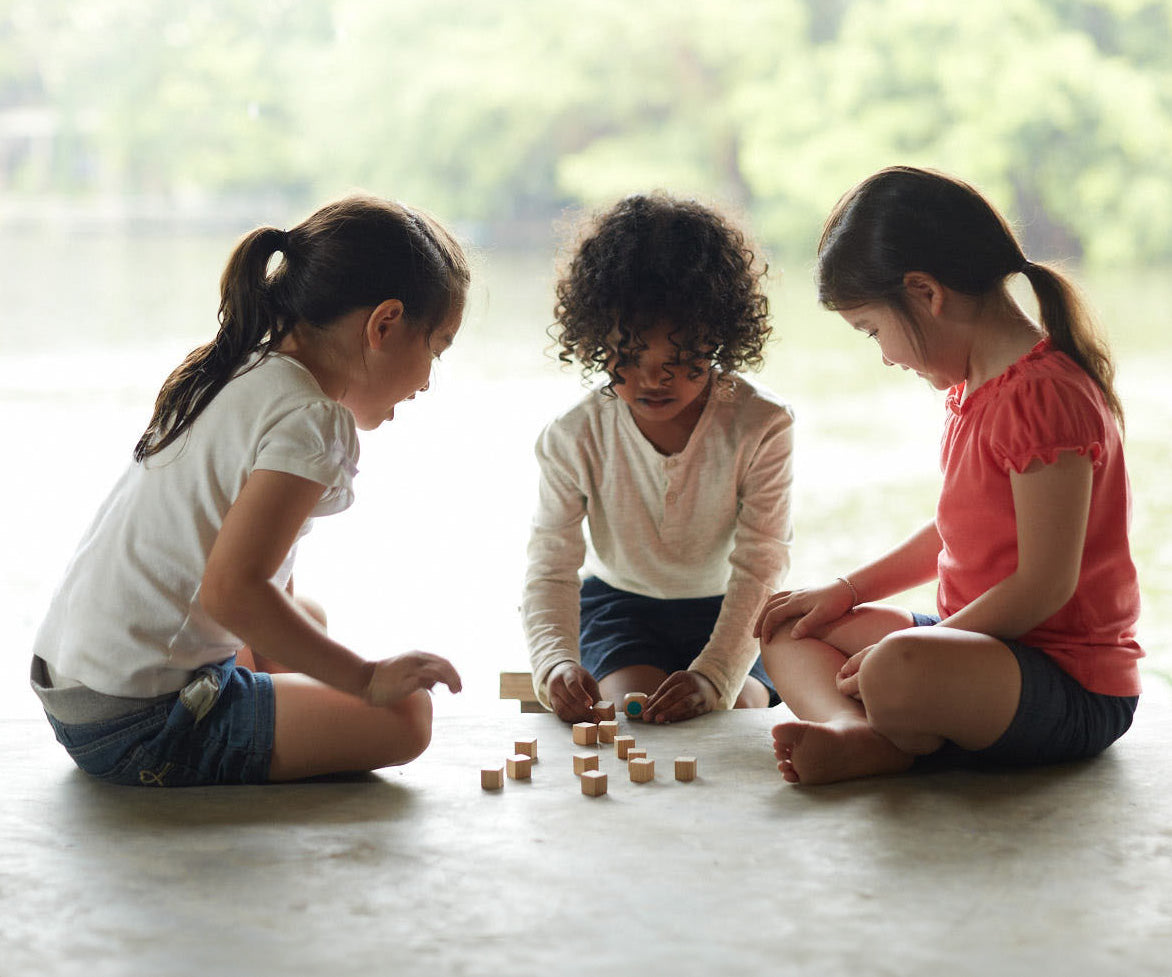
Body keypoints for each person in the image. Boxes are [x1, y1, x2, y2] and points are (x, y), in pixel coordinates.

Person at [30, 195, 468, 786]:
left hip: (79, 687)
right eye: (435, 349)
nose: (426, 382)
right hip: (138, 724)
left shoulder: (246, 366)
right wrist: (366, 679)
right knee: (407, 715)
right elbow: (232, 593)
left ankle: (270, 703)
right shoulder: (312, 418)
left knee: (302, 614)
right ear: (384, 325)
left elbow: (256, 567)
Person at [756, 165, 1143, 785]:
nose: (883, 355)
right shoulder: (977, 388)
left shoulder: (1043, 397)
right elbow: (951, 530)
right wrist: (848, 590)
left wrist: (918, 649)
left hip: (1070, 680)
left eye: (873, 330)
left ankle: (896, 731)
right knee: (787, 626)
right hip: (981, 648)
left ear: (926, 294)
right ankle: (855, 732)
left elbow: (1044, 587)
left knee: (895, 669)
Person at [523, 192, 795, 724]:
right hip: (621, 608)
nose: (652, 378)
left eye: (680, 358)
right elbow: (551, 565)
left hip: (735, 609)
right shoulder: (573, 435)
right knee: (634, 713)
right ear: (595, 340)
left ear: (719, 335)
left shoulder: (763, 425)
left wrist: (715, 674)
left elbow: (763, 560)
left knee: (736, 711)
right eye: (628, 357)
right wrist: (554, 661)